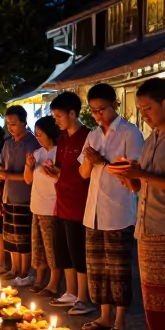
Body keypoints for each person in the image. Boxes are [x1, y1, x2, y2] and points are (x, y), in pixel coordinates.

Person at [108, 76, 165, 330]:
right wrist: (130, 179)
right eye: (141, 110)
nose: (145, 116)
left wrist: (141, 174)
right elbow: (144, 185)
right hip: (148, 227)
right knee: (155, 295)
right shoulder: (151, 140)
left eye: (148, 108)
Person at [78, 82, 144, 330]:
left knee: (118, 270)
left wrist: (102, 162)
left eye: (102, 109)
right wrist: (90, 162)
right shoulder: (93, 134)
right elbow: (84, 172)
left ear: (115, 105)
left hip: (118, 210)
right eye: (94, 111)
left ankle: (120, 321)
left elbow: (133, 173)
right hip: (93, 211)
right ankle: (104, 316)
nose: (98, 116)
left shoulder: (130, 133)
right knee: (97, 269)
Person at [44, 91, 92, 315]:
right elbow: (62, 168)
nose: (56, 121)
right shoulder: (62, 138)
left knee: (78, 251)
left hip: (79, 203)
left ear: (73, 113)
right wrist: (54, 172)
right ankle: (71, 291)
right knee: (63, 250)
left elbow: (85, 173)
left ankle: (83, 297)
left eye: (59, 116)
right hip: (61, 200)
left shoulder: (87, 137)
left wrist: (62, 174)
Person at [0, 104, 36, 284]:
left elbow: (32, 175)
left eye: (13, 124)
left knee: (22, 237)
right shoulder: (8, 143)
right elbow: (1, 163)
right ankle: (14, 269)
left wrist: (8, 175)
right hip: (8, 194)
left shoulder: (32, 143)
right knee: (10, 236)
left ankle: (24, 272)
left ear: (23, 122)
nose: (10, 128)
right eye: (8, 124)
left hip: (24, 196)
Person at [24, 115, 62, 295]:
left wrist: (55, 173)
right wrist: (29, 166)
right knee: (38, 246)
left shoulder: (58, 152)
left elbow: (62, 179)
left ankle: (53, 284)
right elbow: (28, 180)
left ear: (50, 133)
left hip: (51, 207)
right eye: (36, 134)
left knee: (52, 248)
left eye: (40, 134)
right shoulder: (38, 154)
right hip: (36, 206)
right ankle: (40, 280)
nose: (37, 137)